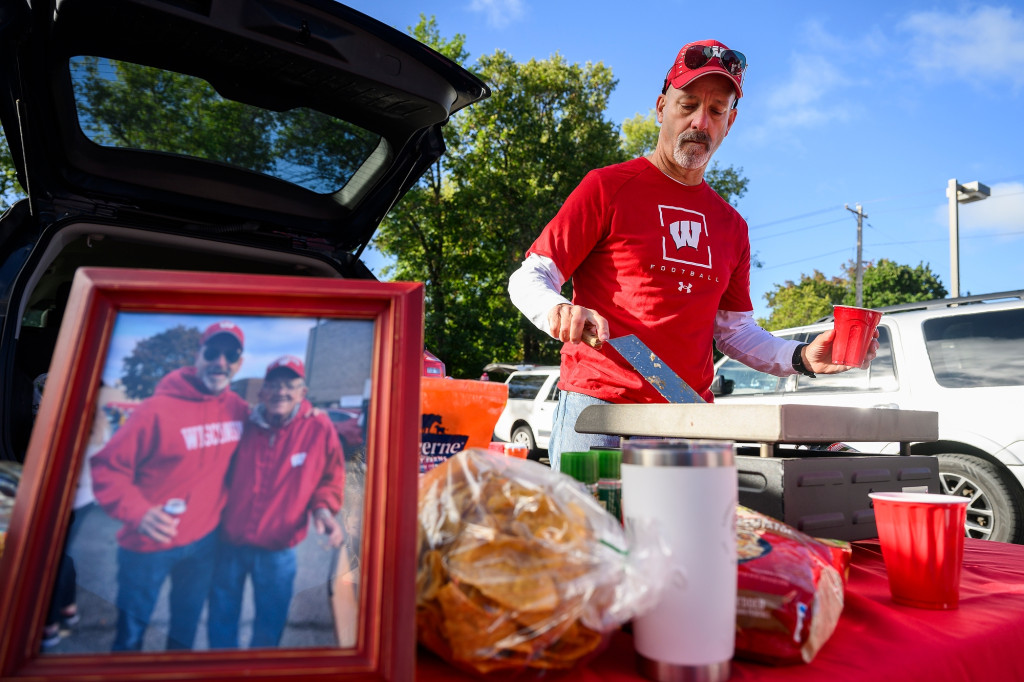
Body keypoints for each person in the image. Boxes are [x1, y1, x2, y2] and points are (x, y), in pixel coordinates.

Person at [508, 40, 878, 470]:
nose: (700, 121)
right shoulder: (607, 187)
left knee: (685, 538)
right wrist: (558, 308)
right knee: (594, 536)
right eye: (688, 104)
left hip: (688, 417)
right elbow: (530, 277)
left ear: (730, 122)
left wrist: (800, 357)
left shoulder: (732, 226)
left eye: (717, 111)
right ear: (662, 107)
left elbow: (734, 332)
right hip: (599, 412)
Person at [91, 321, 249, 650]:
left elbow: (279, 420)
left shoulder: (238, 409)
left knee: (184, 630)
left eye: (230, 355)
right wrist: (138, 512)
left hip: (205, 543)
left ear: (239, 363)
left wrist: (310, 415)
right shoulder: (156, 410)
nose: (221, 362)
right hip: (147, 545)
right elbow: (108, 467)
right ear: (198, 355)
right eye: (213, 352)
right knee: (131, 635)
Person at [208, 355, 346, 649]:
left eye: (290, 385)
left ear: (302, 393)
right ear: (262, 391)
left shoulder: (318, 428)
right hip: (229, 545)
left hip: (278, 551)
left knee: (269, 626)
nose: (280, 392)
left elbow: (330, 478)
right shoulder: (242, 424)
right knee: (221, 620)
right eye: (274, 385)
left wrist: (322, 510)